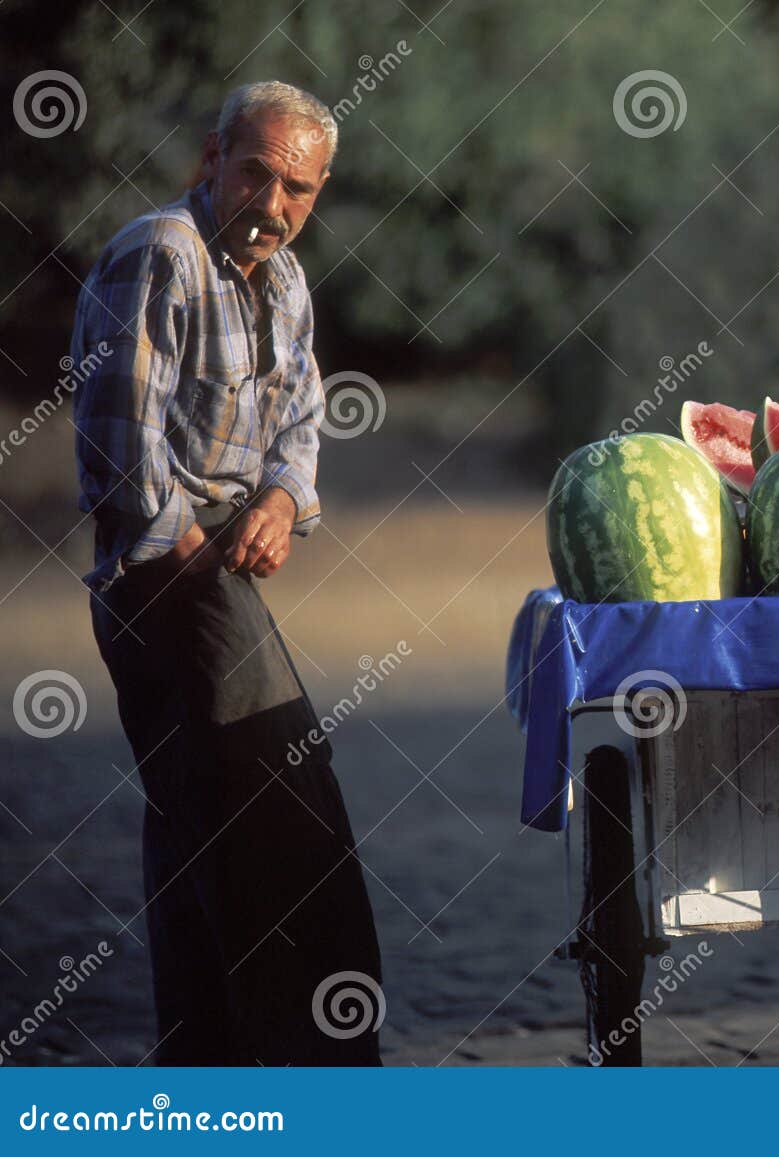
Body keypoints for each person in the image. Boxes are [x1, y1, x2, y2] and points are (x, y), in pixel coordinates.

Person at [70, 80, 382, 1065]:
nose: (274, 201)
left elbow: (300, 419)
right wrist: (200, 551)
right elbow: (123, 454)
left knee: (198, 834)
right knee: (289, 811)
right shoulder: (162, 253)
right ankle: (319, 1069)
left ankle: (204, 1074)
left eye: (298, 187)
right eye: (256, 172)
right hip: (160, 569)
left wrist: (285, 501)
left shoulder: (284, 279)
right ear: (212, 161)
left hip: (220, 567)